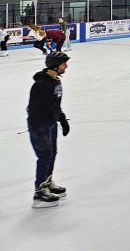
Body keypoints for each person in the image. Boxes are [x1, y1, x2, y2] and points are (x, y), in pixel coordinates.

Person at [28, 52, 71, 208]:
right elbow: (33, 109)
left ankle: (47, 182)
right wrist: (39, 129)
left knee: (52, 154)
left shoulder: (55, 80)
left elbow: (55, 105)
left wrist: (62, 120)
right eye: (63, 64)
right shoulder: (41, 85)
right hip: (39, 126)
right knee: (45, 156)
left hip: (51, 123)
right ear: (55, 65)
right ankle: (39, 193)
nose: (66, 66)